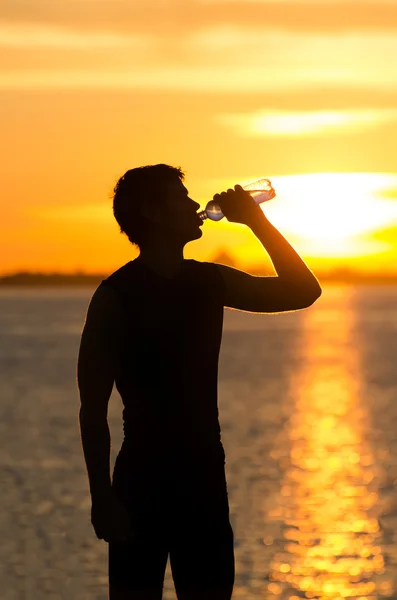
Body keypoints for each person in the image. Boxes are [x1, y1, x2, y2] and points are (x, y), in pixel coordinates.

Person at [77, 164, 322, 600]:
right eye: (180, 197)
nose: (194, 205)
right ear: (153, 212)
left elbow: (303, 291)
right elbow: (93, 411)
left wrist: (258, 222)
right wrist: (102, 500)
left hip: (204, 478)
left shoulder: (210, 281)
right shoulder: (115, 297)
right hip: (139, 484)